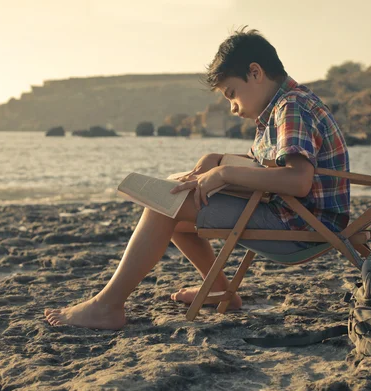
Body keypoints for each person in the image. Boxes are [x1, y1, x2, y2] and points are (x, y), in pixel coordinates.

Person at [44, 28, 350, 330]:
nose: (232, 107)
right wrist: (217, 160)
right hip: (294, 215)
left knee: (167, 201)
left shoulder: (290, 108)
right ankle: (220, 291)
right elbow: (268, 167)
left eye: (231, 94)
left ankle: (107, 306)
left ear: (255, 73)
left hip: (300, 225)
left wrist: (225, 172)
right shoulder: (283, 107)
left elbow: (298, 181)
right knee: (174, 191)